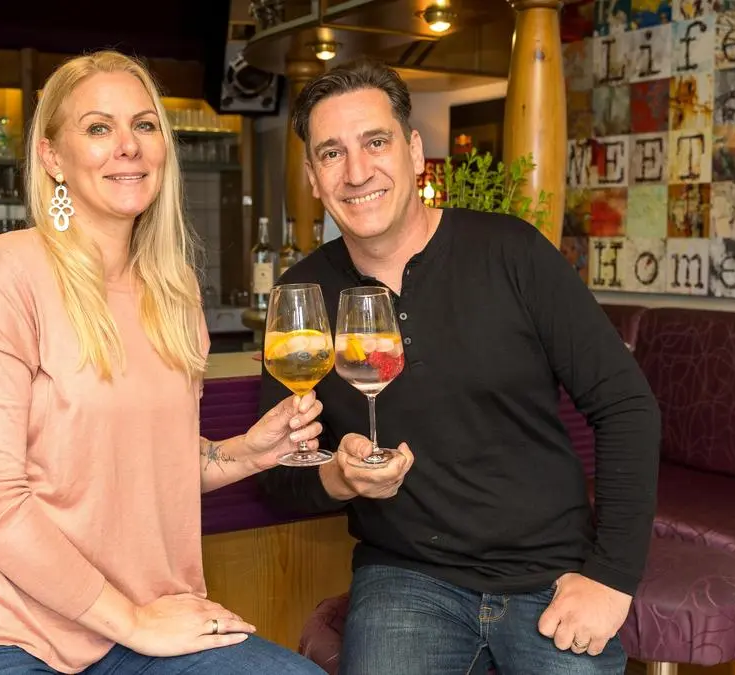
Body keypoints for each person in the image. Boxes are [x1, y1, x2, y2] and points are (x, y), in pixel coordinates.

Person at [0, 51, 328, 675]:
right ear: (52, 157)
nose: (128, 146)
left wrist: (246, 453)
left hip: (135, 616)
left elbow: (130, 463)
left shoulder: (174, 289)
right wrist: (135, 623)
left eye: (144, 125)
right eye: (98, 127)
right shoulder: (5, 270)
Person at [257, 59, 662, 675]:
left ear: (414, 151)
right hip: (405, 578)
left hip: (550, 572)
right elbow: (276, 470)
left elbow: (626, 406)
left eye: (375, 142)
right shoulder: (303, 295)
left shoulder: (512, 252)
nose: (357, 171)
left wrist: (610, 577)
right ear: (313, 177)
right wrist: (337, 478)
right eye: (331, 153)